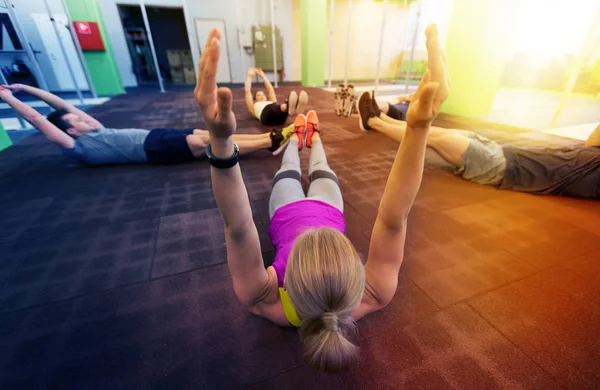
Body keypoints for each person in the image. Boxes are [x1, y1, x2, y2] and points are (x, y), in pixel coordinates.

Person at [194, 25, 449, 372]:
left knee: (288, 159)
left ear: (288, 282)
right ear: (355, 276)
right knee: (320, 163)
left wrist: (221, 143)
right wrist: (419, 128)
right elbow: (395, 217)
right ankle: (311, 137)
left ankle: (297, 136)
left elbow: (237, 227)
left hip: (288, 209)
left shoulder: (267, 300)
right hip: (328, 206)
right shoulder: (371, 293)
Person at [357, 90, 600, 199]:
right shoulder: (592, 153)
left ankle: (374, 122)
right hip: (503, 150)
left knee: (432, 136)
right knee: (440, 130)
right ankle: (384, 117)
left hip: (499, 168)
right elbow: (594, 141)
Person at [0, 84, 292, 166]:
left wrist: (27, 87)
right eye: (76, 120)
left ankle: (270, 138)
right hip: (153, 150)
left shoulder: (94, 129)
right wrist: (9, 99)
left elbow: (61, 106)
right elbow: (37, 119)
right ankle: (271, 142)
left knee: (212, 133)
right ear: (72, 132)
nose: (80, 117)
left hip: (155, 135)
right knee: (212, 144)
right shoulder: (78, 146)